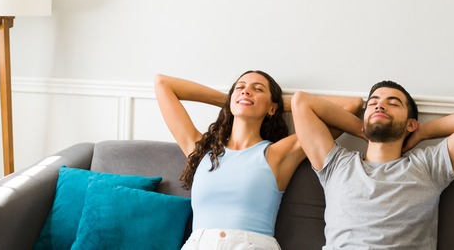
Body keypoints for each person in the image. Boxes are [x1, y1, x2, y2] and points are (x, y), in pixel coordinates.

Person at [154, 71, 363, 250]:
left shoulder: (278, 154)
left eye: (258, 89)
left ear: (272, 109)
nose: (246, 91)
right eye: (240, 87)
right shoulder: (200, 149)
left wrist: (277, 104)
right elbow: (163, 84)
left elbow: (350, 105)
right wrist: (228, 100)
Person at [291, 80, 454, 250]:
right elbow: (301, 102)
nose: (380, 105)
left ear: (410, 123)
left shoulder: (428, 167)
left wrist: (423, 132)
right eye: (373, 103)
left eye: (393, 103)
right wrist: (363, 128)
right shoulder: (336, 165)